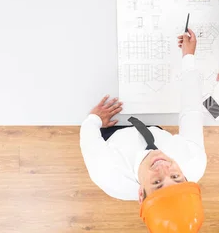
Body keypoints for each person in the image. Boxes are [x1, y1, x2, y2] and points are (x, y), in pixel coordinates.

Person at [80, 29, 208, 232]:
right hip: (152, 130)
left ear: (141, 194)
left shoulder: (107, 172)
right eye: (176, 177)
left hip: (111, 134)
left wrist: (95, 119)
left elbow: (88, 138)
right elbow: (191, 111)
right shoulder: (194, 161)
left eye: (157, 182)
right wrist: (188, 58)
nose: (164, 167)